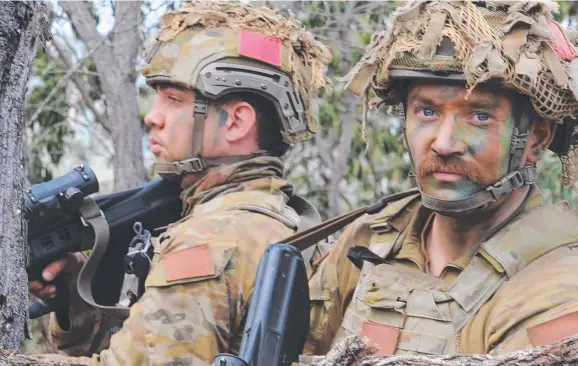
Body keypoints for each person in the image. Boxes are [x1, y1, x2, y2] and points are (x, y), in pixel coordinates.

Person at [28, 2, 332, 364]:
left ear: (236, 123)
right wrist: (75, 291)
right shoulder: (282, 220)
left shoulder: (210, 239)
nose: (152, 116)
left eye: (175, 99)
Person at [304, 0, 578, 358]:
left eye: (479, 117)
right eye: (427, 112)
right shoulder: (373, 239)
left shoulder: (557, 287)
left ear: (537, 138)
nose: (444, 143)